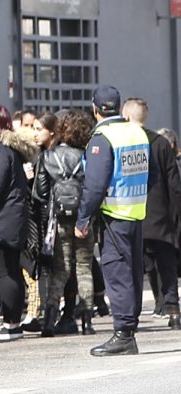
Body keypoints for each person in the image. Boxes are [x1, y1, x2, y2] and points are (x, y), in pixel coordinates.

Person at [77, 85, 149, 357]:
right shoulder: (137, 132)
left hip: (114, 214)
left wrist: (83, 219)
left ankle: (123, 334)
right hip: (136, 211)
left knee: (117, 272)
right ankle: (130, 327)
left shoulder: (103, 137)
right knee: (132, 272)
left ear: (95, 109)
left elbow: (94, 186)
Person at [36, 109, 95, 336]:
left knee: (61, 269)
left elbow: (40, 193)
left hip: (59, 217)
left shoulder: (49, 156)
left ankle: (49, 320)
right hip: (84, 218)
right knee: (84, 268)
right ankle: (87, 322)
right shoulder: (87, 156)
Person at [123, 97, 181, 328]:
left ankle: (132, 314)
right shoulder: (161, 143)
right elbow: (174, 185)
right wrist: (175, 216)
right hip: (160, 216)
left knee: (135, 269)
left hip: (130, 213)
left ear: (126, 116)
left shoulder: (124, 143)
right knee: (166, 265)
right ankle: (174, 310)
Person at [0, 106, 30, 342]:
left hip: (3, 221)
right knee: (11, 272)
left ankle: (11, 323)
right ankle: (14, 322)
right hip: (14, 219)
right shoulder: (10, 151)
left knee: (5, 272)